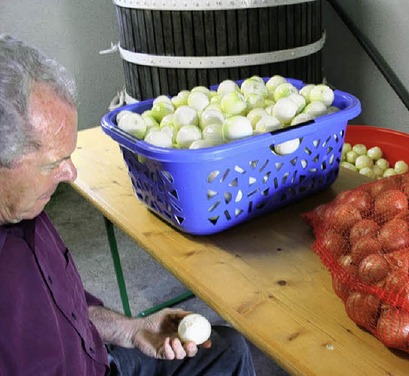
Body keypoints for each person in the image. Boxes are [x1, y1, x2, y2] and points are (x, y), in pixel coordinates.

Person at [0, 34, 256, 375]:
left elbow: (66, 310)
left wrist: (133, 330)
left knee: (229, 350)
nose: (71, 173)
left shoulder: (26, 209)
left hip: (98, 361)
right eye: (52, 163)